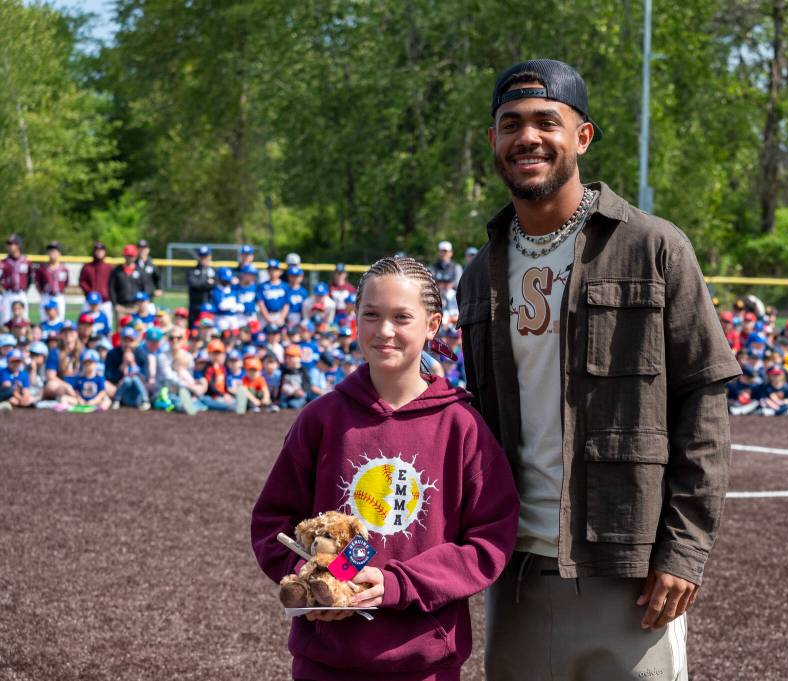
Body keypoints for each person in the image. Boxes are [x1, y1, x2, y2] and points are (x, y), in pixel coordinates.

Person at [457, 60, 739, 681]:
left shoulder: (654, 246)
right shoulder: (479, 274)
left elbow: (704, 400)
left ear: (582, 137)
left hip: (629, 568)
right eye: (510, 124)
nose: (526, 137)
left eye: (546, 122)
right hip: (519, 570)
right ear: (492, 141)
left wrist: (685, 550)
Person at [251, 255, 518, 681]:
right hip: (327, 662)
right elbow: (272, 523)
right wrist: (321, 585)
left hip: (425, 663)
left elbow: (489, 540)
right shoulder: (321, 419)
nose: (385, 330)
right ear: (355, 319)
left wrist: (395, 584)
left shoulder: (462, 426)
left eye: (402, 317)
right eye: (371, 315)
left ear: (432, 326)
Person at [33, 241, 70, 322]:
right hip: (46, 295)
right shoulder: (42, 268)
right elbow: (37, 283)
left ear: (59, 253)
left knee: (60, 320)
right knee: (44, 319)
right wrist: (43, 294)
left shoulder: (64, 269)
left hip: (58, 296)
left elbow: (66, 283)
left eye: (54, 251)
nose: (52, 253)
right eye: (50, 251)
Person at [79, 242, 115, 326]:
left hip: (104, 301)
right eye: (97, 250)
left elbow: (113, 284)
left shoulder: (109, 267)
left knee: (106, 325)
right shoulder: (87, 267)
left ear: (105, 252)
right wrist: (90, 293)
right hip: (90, 302)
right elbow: (82, 282)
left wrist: (108, 294)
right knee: (85, 323)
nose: (99, 252)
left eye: (101, 250)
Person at [1, 234, 30, 326]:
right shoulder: (3, 262)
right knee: (5, 319)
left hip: (21, 293)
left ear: (18, 245)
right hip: (8, 293)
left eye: (11, 244)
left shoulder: (26, 261)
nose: (9, 246)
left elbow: (30, 279)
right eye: (8, 244)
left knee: (24, 319)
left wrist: (25, 290)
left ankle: (24, 340)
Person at [109, 244, 144, 321]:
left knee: (137, 329)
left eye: (132, 256)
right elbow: (111, 288)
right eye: (128, 255)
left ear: (135, 256)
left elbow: (144, 287)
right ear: (124, 256)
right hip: (121, 306)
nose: (130, 258)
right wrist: (115, 304)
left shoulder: (140, 270)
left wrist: (141, 303)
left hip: (136, 307)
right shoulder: (117, 270)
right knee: (121, 331)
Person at [187, 246, 217, 328]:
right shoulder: (192, 270)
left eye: (206, 256)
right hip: (195, 306)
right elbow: (193, 284)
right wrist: (207, 283)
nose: (204, 259)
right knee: (194, 330)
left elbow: (216, 284)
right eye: (202, 256)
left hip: (210, 307)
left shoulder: (213, 270)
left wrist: (202, 284)